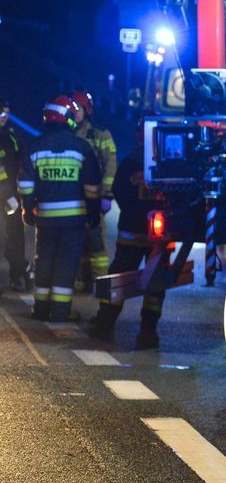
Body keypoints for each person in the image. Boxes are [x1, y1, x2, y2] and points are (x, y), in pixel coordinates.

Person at [17, 96, 102, 321]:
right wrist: (93, 213)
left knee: (43, 260)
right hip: (73, 221)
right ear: (67, 118)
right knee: (66, 263)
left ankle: (41, 308)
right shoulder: (81, 147)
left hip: (44, 218)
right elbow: (93, 186)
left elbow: (25, 184)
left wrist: (26, 209)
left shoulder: (34, 147)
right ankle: (61, 312)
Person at [88, 142, 164, 347]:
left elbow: (120, 190)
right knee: (122, 278)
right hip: (137, 233)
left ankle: (144, 327)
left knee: (147, 281)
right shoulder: (137, 164)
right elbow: (119, 190)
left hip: (146, 233)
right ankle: (109, 320)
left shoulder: (131, 163)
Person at [70, 89, 116, 291]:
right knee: (77, 244)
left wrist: (106, 194)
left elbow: (110, 165)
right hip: (73, 199)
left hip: (95, 199)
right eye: (72, 109)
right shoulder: (67, 135)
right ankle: (82, 283)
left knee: (96, 246)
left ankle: (101, 284)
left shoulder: (100, 134)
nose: (75, 112)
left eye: (78, 109)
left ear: (86, 110)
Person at [0, 101, 30, 291]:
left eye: (6, 113)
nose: (5, 117)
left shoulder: (10, 136)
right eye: (1, 114)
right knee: (5, 239)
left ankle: (17, 275)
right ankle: (21, 270)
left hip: (11, 198)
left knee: (15, 237)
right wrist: (8, 194)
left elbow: (19, 165)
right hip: (5, 196)